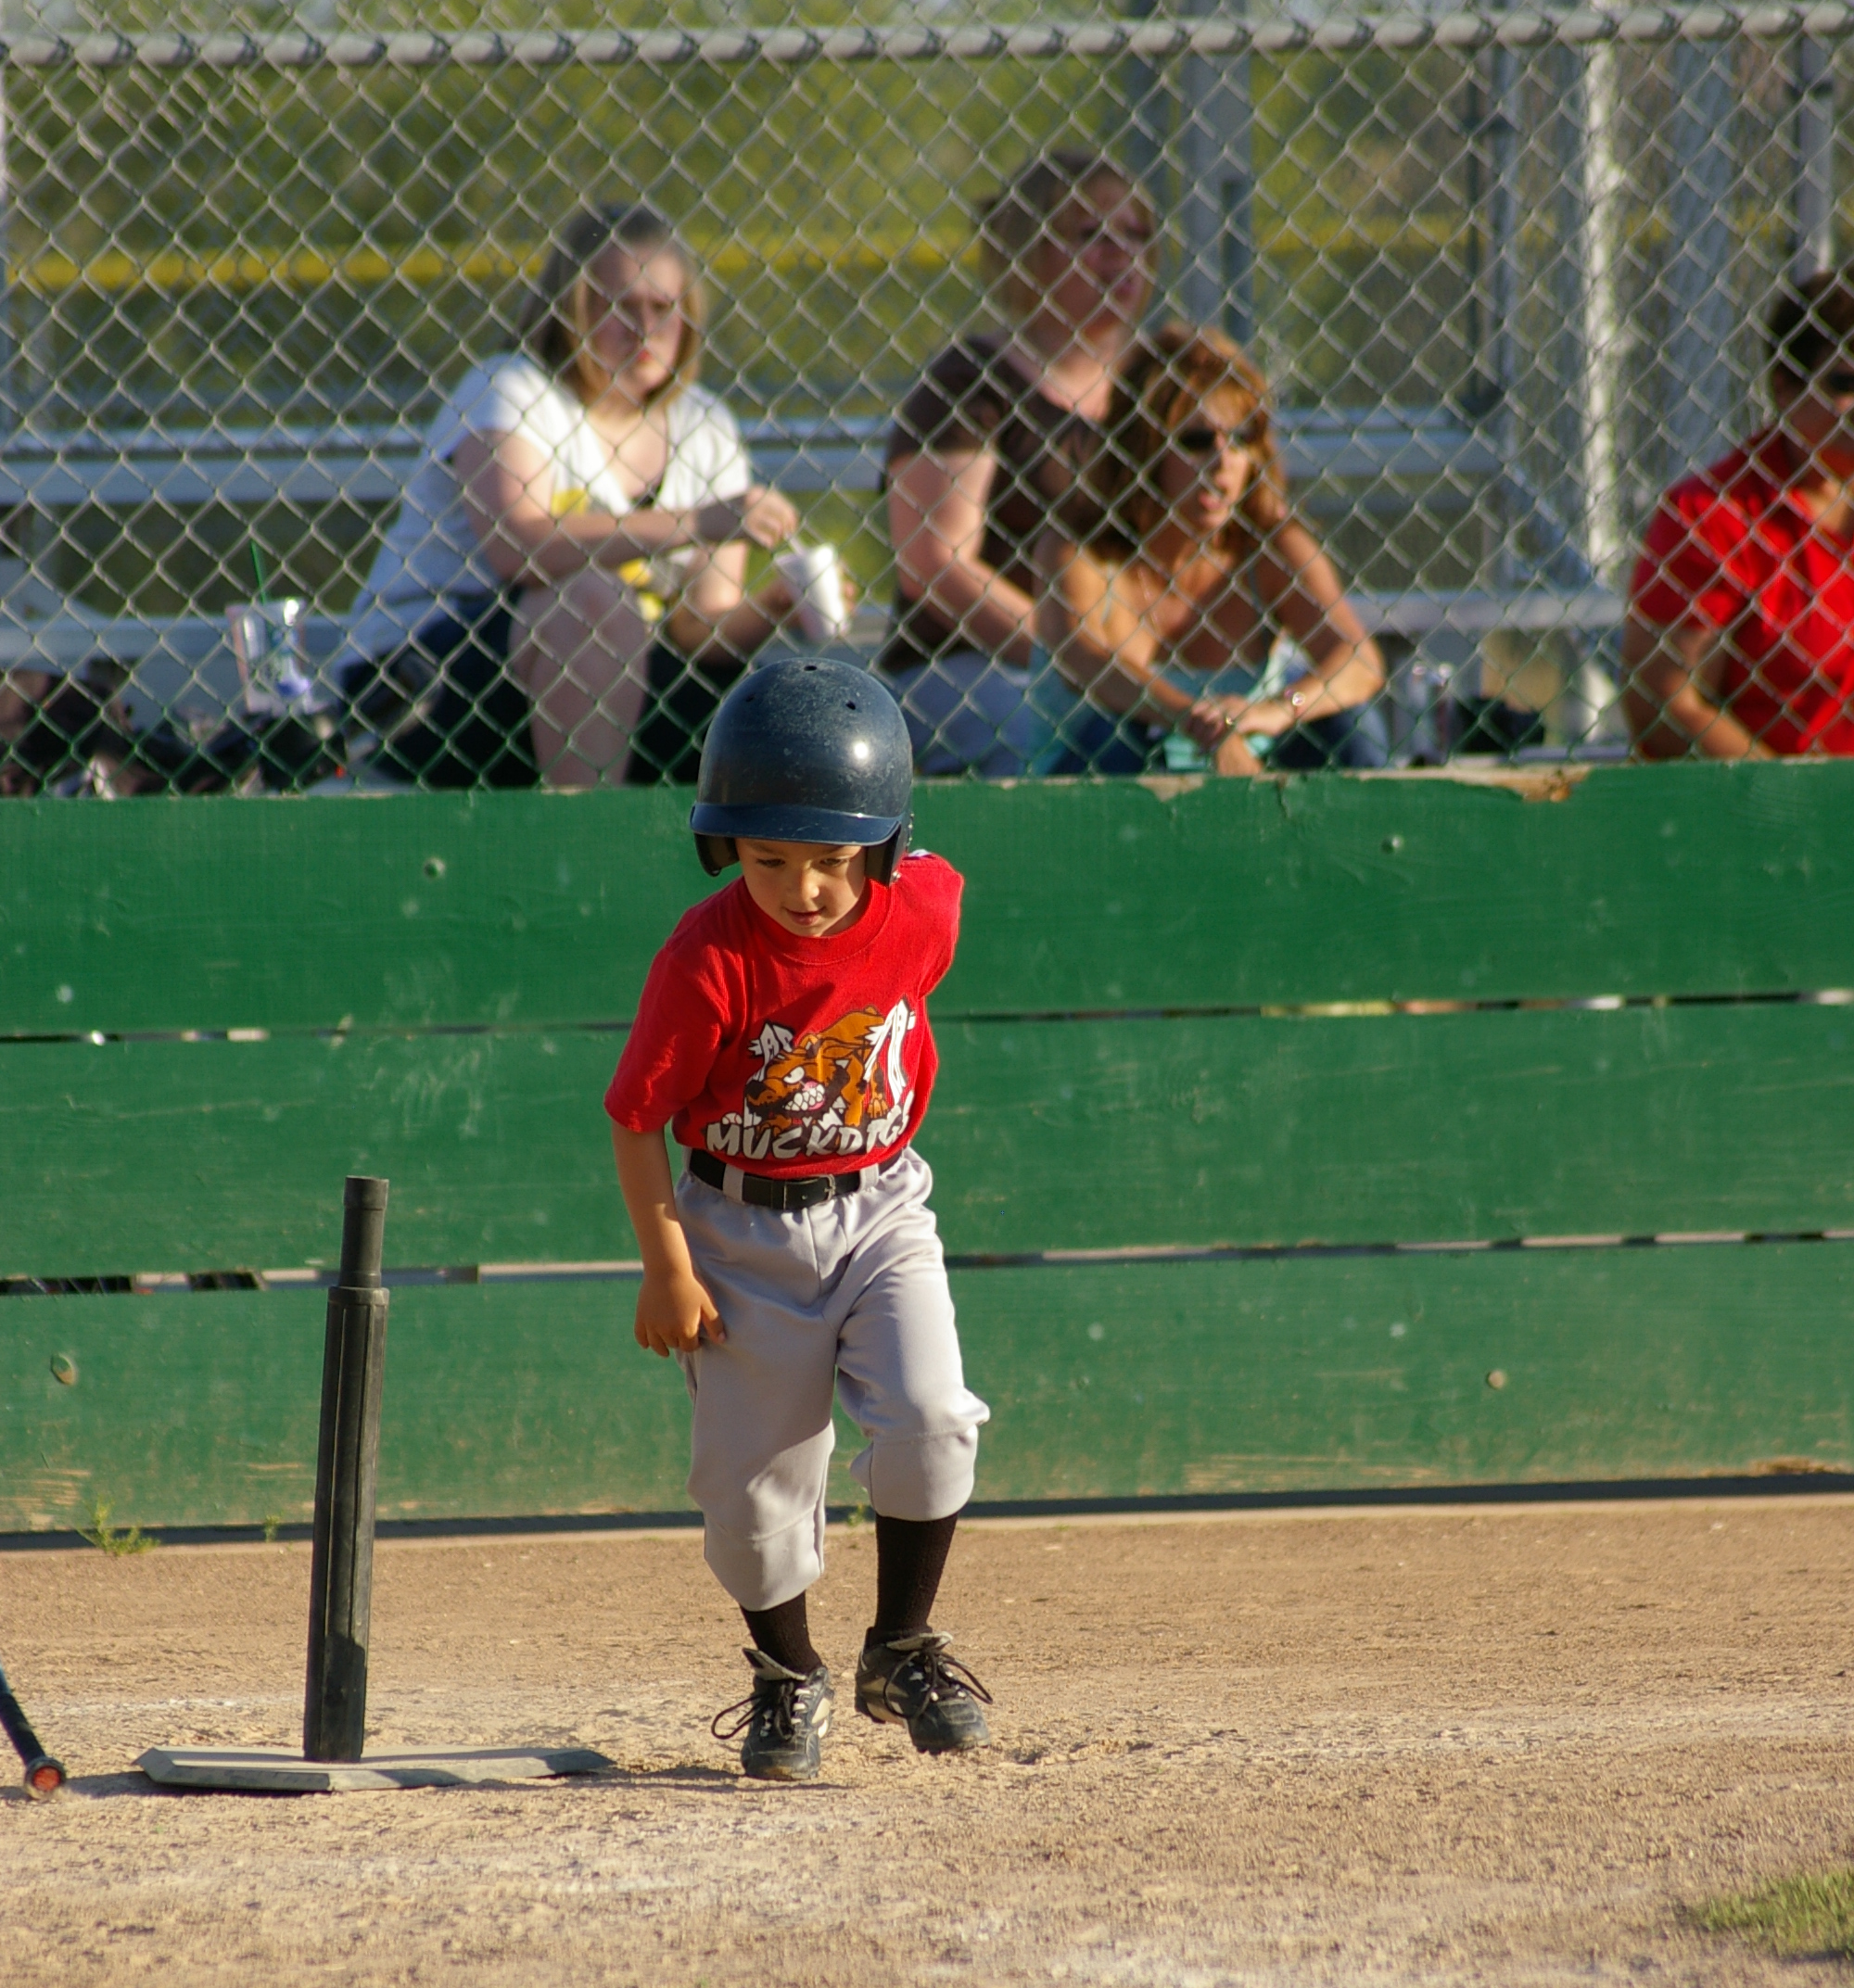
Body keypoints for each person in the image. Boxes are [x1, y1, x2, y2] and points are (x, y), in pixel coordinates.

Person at [603, 658, 993, 1782]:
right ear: (725, 845)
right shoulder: (708, 957)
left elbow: (911, 955)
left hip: (879, 1207)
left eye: (831, 857)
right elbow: (636, 1118)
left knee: (932, 1415)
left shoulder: (922, 907)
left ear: (882, 845)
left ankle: (901, 1649)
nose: (802, 886)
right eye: (767, 857)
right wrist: (665, 1266)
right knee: (751, 1497)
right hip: (737, 1235)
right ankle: (787, 1673)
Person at [347, 201, 802, 788]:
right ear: (569, 310)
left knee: (770, 714)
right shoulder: (510, 387)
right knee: (592, 603)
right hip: (428, 681)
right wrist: (696, 522)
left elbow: (697, 630)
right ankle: (586, 837)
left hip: (617, 685)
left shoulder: (706, 424)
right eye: (619, 306)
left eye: (663, 307)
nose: (644, 328)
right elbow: (520, 547)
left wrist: (778, 602)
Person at [880, 148, 1156, 778]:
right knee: (1086, 738)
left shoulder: (1158, 383)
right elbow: (934, 565)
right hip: (977, 667)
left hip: (1131, 660)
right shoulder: (971, 382)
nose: (1120, 254)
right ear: (1027, 251)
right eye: (1090, 235)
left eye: (1135, 234)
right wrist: (1077, 655)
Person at [1033, 323, 1385, 775]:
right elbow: (1083, 658)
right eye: (1196, 441)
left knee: (1353, 727)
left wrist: (1278, 711)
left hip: (1247, 766)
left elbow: (1359, 660)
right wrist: (1200, 723)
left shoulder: (1269, 545)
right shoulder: (1082, 547)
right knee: (1117, 734)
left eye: (1241, 439)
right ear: (1142, 445)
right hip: (1108, 777)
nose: (1222, 462)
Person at [1625, 275, 1854, 759]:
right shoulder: (1714, 516)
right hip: (1785, 795)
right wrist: (1791, 796)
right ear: (1785, 388)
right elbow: (1665, 706)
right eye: (1844, 383)